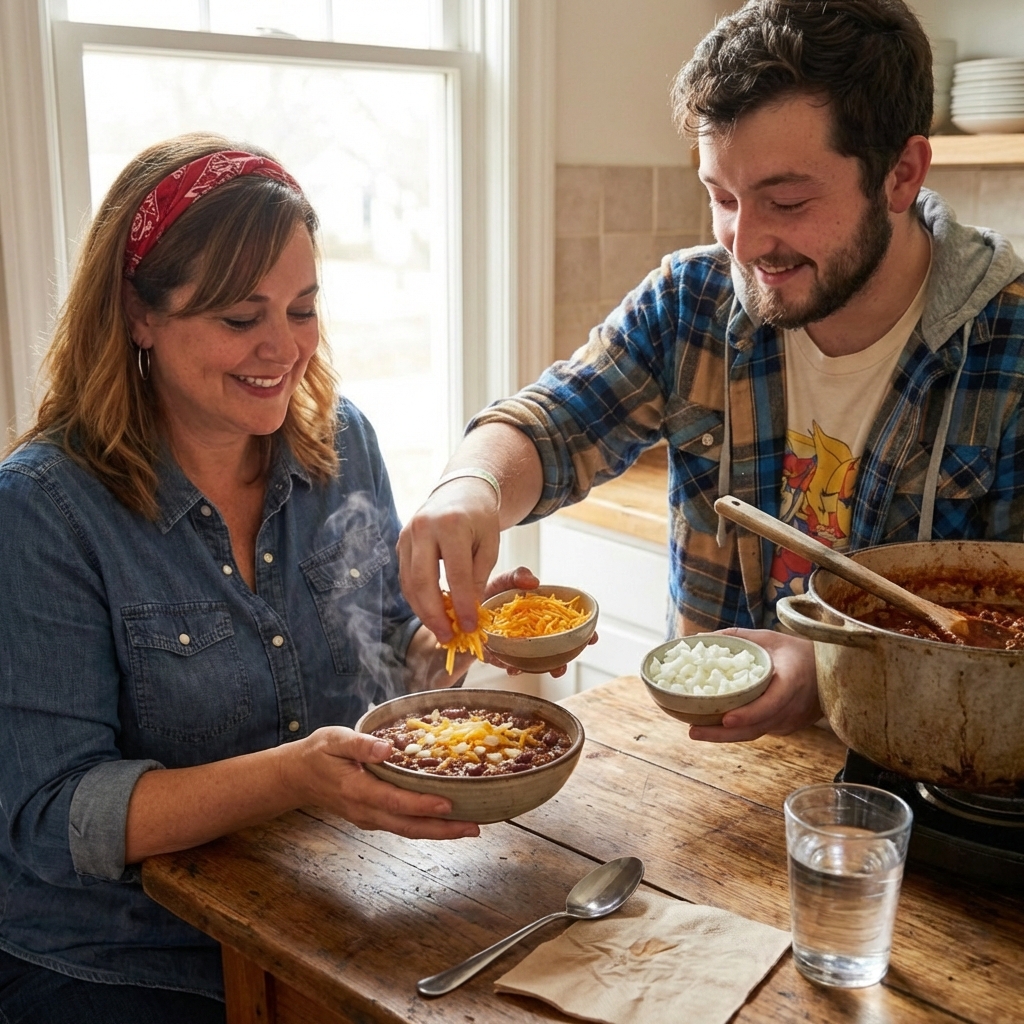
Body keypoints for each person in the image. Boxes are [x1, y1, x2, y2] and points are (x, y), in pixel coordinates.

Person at [0, 134, 529, 1023]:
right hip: (120, 963)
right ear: (139, 315)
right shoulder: (42, 512)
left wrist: (456, 639)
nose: (282, 349)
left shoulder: (341, 442)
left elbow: (382, 661)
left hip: (322, 915)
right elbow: (57, 816)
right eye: (241, 319)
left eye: (304, 308)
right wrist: (293, 777)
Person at [398, 0, 1024, 743]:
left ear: (901, 174)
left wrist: (828, 675)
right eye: (722, 197)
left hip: (924, 781)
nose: (747, 241)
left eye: (786, 200)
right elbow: (553, 424)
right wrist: (473, 485)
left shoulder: (1008, 345)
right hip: (707, 775)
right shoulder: (691, 302)